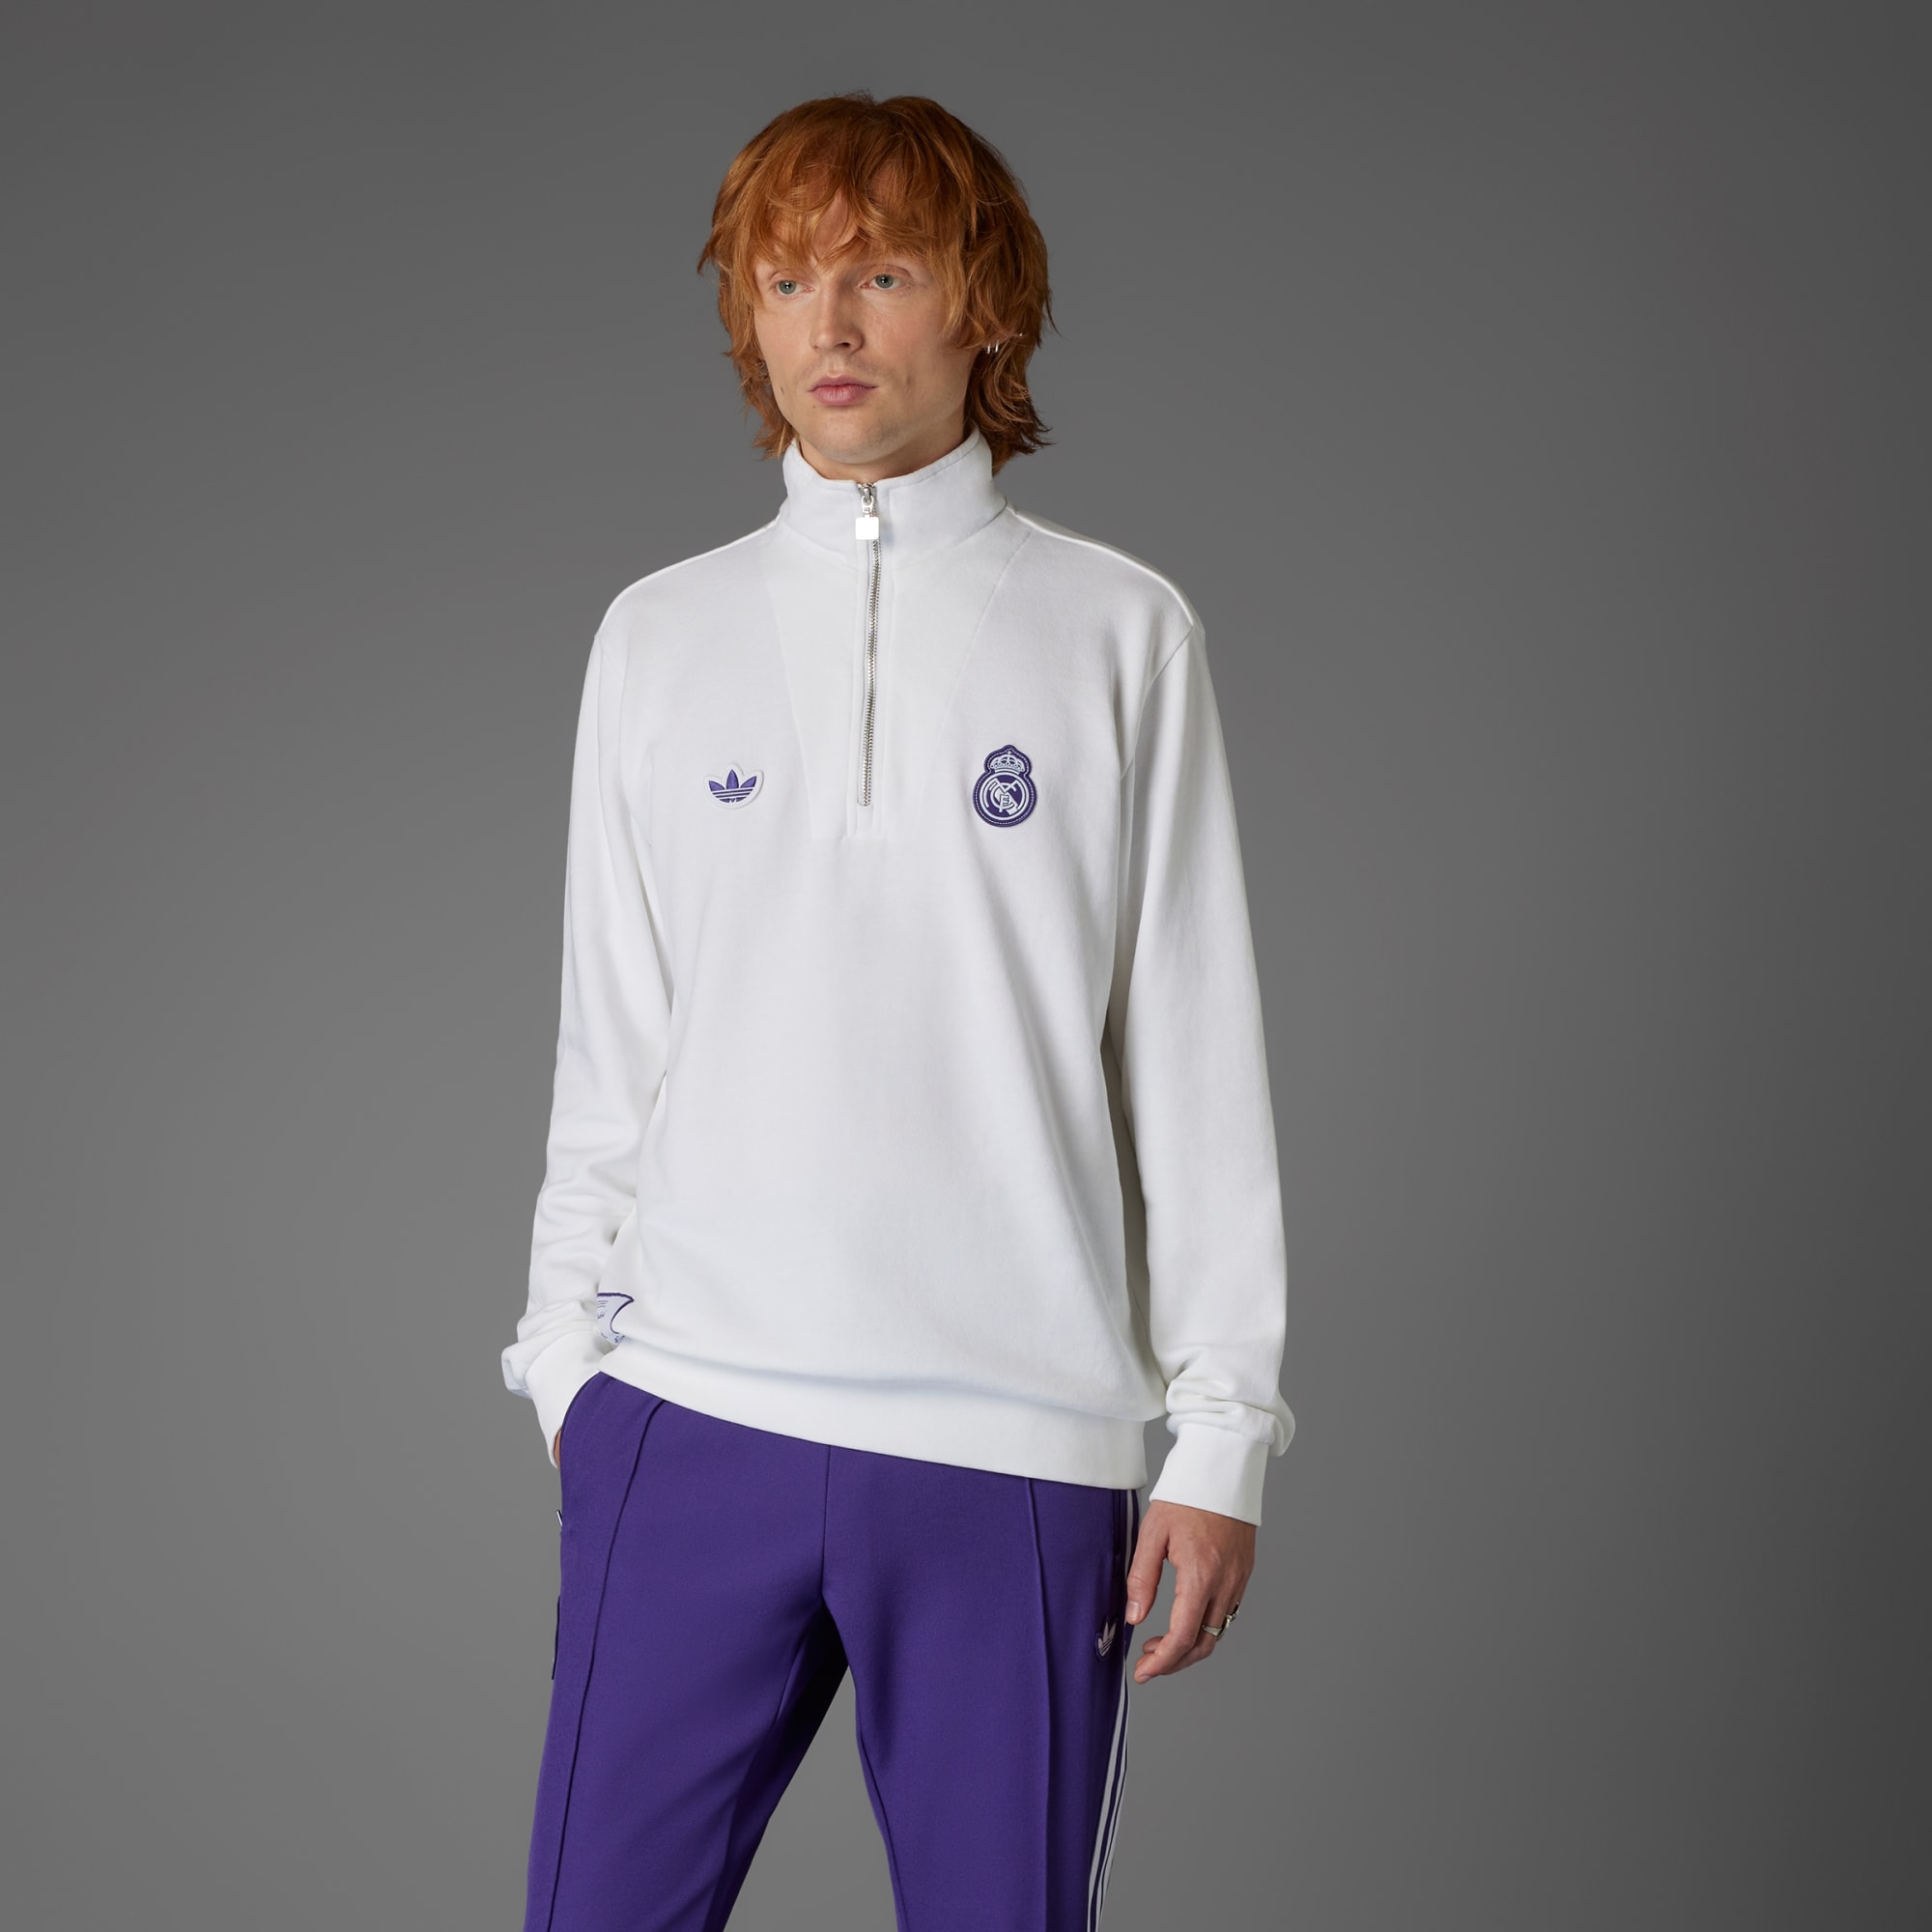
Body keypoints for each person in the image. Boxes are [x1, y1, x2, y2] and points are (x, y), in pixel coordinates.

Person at [500, 90, 1295, 1932]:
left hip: (1011, 1456)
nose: (830, 326)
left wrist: (1223, 1435)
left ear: (984, 304)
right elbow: (610, 1045)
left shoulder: (1120, 634)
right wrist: (566, 1369)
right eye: (785, 281)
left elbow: (1193, 1059)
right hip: (688, 1421)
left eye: (882, 273)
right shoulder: (658, 635)